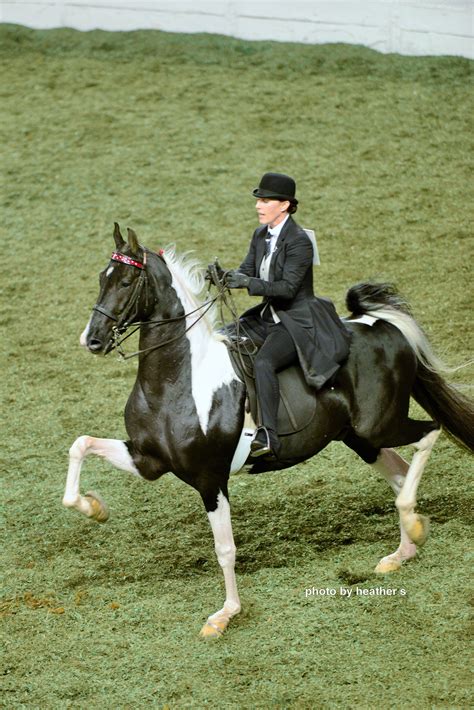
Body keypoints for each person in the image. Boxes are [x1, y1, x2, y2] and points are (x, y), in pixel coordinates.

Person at [223, 172, 352, 458]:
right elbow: (246, 269)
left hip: (297, 319)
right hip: (268, 314)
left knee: (265, 362)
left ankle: (269, 434)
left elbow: (288, 288)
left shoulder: (299, 241)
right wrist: (226, 277)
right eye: (259, 200)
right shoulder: (260, 235)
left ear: (284, 205)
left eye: (265, 200)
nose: (258, 205)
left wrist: (249, 284)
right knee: (225, 339)